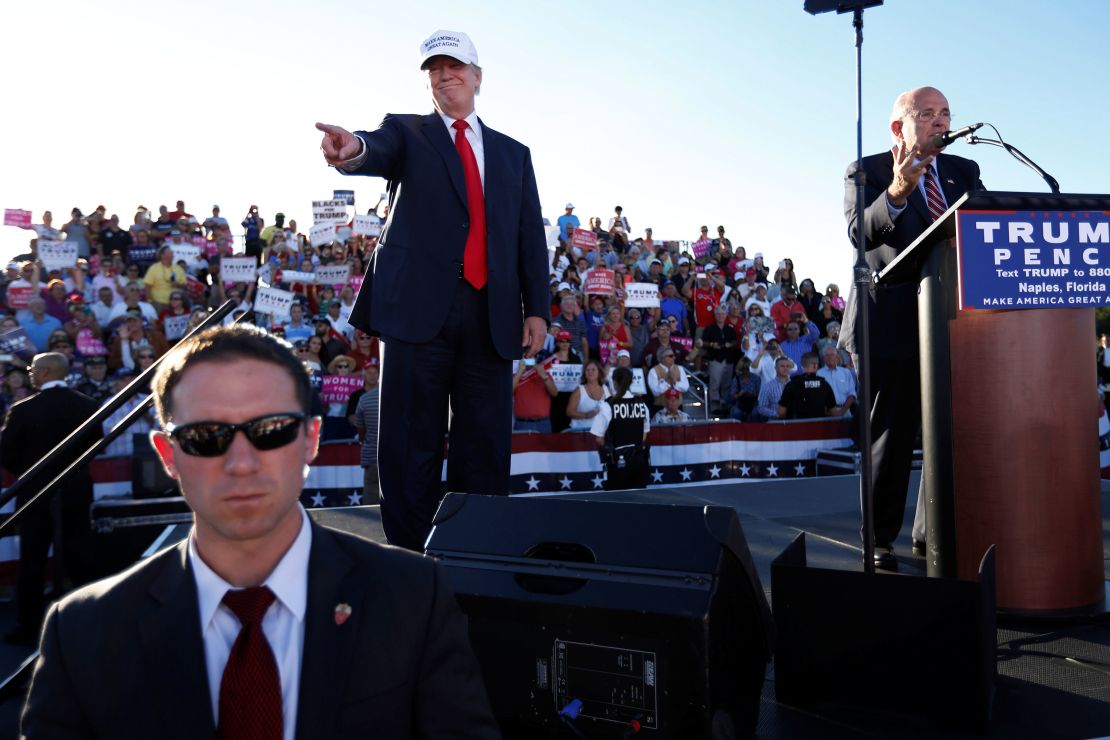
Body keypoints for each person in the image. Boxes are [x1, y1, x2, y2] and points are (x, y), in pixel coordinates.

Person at [20, 325, 499, 738]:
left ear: (310, 440)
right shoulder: (83, 632)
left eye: (271, 429)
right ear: (168, 456)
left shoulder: (413, 598)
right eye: (206, 437)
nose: (242, 463)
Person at [316, 29, 548, 551]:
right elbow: (371, 147)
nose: (444, 76)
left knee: (485, 442)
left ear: (478, 77)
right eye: (434, 70)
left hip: (491, 314)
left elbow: (529, 237)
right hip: (417, 311)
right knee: (408, 438)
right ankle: (410, 554)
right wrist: (351, 149)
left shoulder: (514, 155)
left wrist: (537, 309)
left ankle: (478, 548)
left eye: (455, 67)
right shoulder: (407, 132)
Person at [841, 85, 984, 570]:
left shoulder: (964, 171)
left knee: (949, 428)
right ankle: (878, 541)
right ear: (898, 126)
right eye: (927, 114)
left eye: (946, 113)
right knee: (892, 434)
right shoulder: (868, 170)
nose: (940, 122)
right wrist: (898, 191)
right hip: (888, 321)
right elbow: (861, 233)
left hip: (951, 319)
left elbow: (980, 230)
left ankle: (932, 532)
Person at [0, 352, 102, 646]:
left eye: (32, 369)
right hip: (75, 494)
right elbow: (95, 448)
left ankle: (28, 628)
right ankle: (90, 622)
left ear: (44, 372)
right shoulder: (88, 406)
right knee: (82, 561)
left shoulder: (23, 410)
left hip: (35, 497)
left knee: (31, 563)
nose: (29, 372)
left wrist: (32, 475)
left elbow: (6, 454)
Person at [591, 366, 650, 490]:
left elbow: (598, 438)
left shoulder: (607, 406)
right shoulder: (642, 404)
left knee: (618, 501)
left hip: (617, 462)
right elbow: (644, 435)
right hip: (639, 461)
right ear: (631, 382)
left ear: (614, 382)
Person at [777, 352, 841, 420]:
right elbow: (833, 412)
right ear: (815, 365)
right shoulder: (825, 384)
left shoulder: (792, 384)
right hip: (820, 427)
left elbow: (781, 412)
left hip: (796, 427)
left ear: (802, 365)